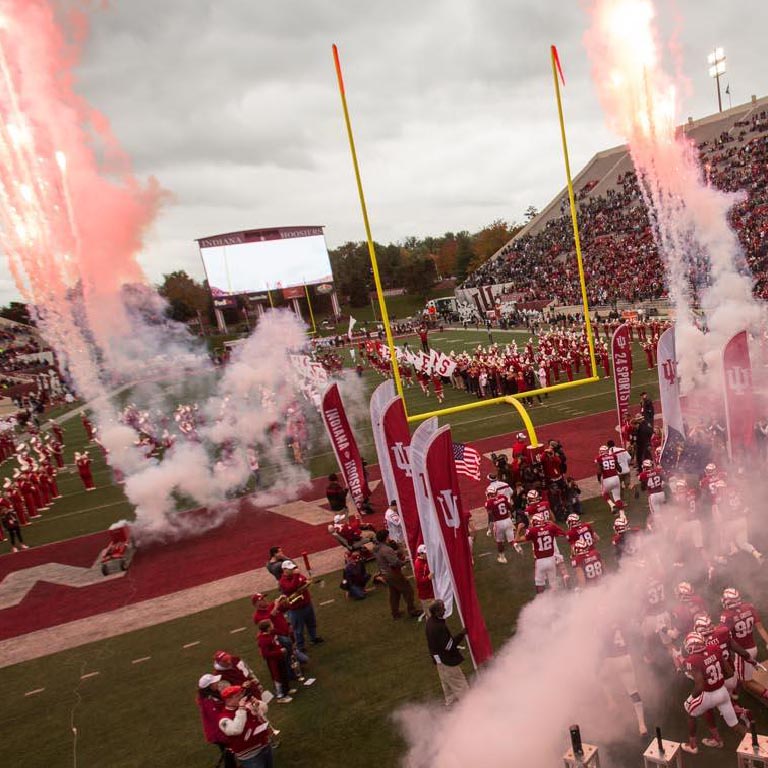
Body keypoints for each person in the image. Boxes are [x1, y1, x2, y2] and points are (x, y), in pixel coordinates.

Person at [680, 631, 746, 754]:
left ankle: (693, 746)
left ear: (691, 647)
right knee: (735, 725)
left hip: (709, 695)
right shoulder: (713, 648)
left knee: (689, 711)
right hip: (723, 692)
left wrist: (690, 699)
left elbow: (700, 685)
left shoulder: (692, 660)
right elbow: (730, 672)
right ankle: (755, 741)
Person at [217, 685, 274, 768]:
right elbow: (236, 730)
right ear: (228, 700)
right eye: (237, 696)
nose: (241, 697)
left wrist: (258, 704)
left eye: (240, 694)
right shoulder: (223, 719)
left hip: (264, 744)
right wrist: (241, 709)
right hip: (250, 756)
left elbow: (265, 709)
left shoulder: (245, 705)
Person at [425, 599, 469, 706]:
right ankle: (470, 708)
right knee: (461, 687)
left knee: (448, 690)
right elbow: (448, 646)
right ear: (436, 612)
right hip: (447, 661)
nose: (444, 610)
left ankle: (451, 709)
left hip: (439, 661)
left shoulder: (429, 622)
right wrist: (462, 634)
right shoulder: (438, 627)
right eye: (442, 608)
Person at [373, 529, 420, 619]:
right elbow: (395, 563)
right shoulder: (387, 549)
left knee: (394, 594)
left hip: (385, 573)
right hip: (393, 573)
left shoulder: (377, 549)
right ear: (386, 538)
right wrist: (404, 561)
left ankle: (395, 613)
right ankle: (412, 610)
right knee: (408, 590)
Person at [278, 560, 324, 650]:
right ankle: (300, 646)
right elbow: (291, 588)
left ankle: (313, 638)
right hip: (296, 608)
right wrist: (296, 576)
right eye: (290, 569)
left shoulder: (297, 575)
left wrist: (304, 582)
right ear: (284, 570)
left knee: (311, 623)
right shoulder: (283, 581)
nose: (293, 570)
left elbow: (303, 581)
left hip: (306, 604)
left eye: (293, 568)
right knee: (298, 629)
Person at [196, 673, 237, 768]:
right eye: (214, 682)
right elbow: (217, 720)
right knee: (228, 754)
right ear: (209, 686)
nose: (217, 683)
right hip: (219, 733)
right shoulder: (209, 701)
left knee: (229, 753)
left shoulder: (212, 695)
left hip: (219, 731)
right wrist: (226, 735)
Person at [256, 619, 295, 703]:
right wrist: (280, 651)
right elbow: (265, 654)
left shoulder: (271, 634)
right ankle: (280, 696)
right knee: (277, 677)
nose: (273, 625)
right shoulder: (263, 639)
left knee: (284, 674)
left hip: (280, 658)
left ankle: (287, 690)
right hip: (274, 661)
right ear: (268, 628)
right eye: (271, 625)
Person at [413, 544, 435, 615]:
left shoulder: (424, 561)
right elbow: (419, 581)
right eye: (426, 553)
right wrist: (428, 578)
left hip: (429, 592)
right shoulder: (419, 564)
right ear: (421, 554)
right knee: (431, 614)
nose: (428, 554)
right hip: (426, 595)